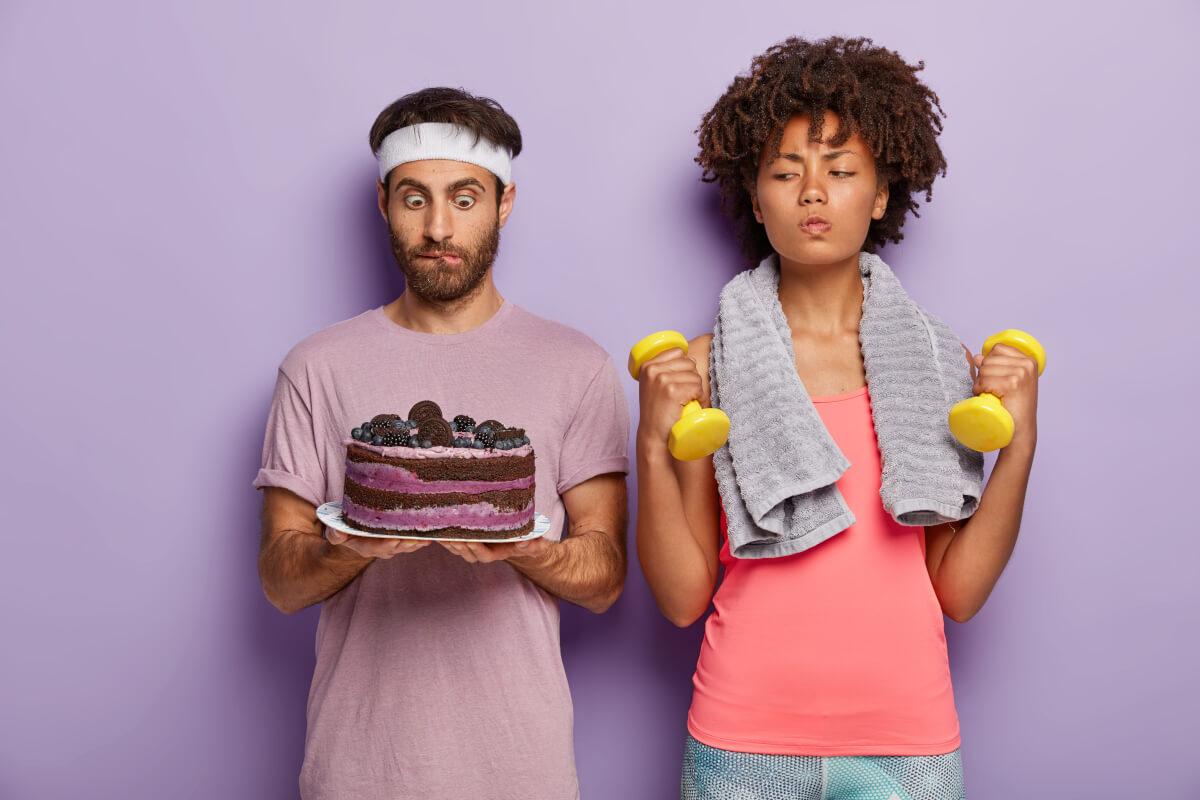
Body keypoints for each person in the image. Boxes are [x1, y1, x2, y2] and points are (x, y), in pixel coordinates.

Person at [636, 38, 1039, 799]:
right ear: (757, 200)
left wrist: (1019, 448)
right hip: (741, 741)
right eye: (786, 173)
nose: (812, 192)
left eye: (841, 171)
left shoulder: (941, 364)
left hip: (905, 743)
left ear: (881, 194)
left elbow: (958, 591)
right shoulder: (703, 368)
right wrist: (653, 445)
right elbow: (683, 597)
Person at [253, 87, 629, 800]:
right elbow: (278, 578)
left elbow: (605, 575)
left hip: (523, 770)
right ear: (383, 202)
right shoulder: (316, 366)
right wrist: (351, 545)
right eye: (414, 199)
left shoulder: (576, 364)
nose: (438, 228)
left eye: (464, 197)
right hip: (357, 769)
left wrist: (529, 549)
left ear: (504, 202)